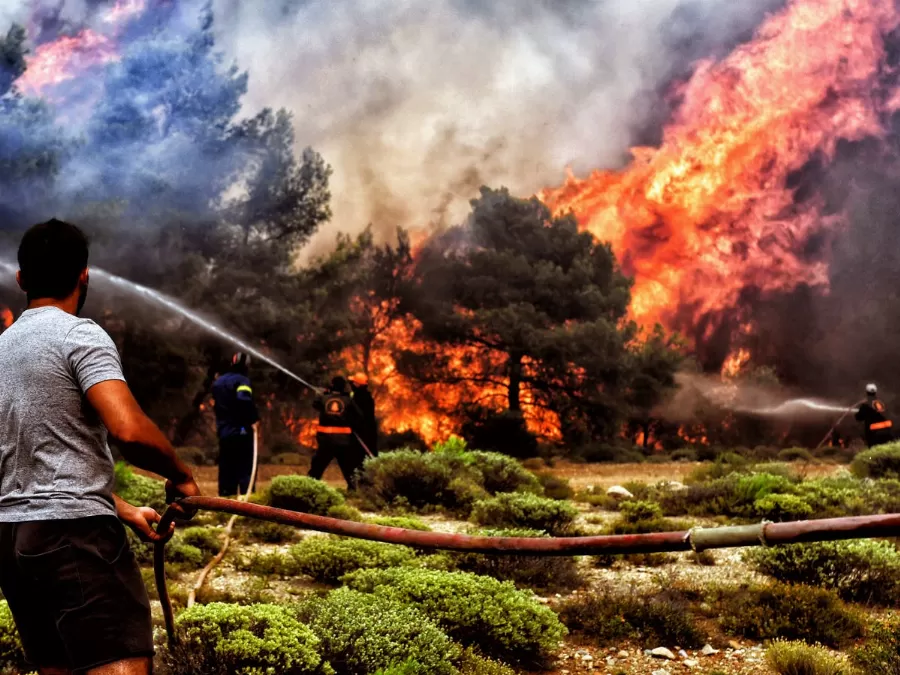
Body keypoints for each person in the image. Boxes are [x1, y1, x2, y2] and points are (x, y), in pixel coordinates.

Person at [0, 219, 201, 675]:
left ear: (22, 279)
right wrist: (182, 477)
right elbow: (129, 431)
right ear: (84, 275)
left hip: (13, 541)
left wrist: (122, 507)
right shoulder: (79, 335)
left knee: (59, 667)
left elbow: (32, 459)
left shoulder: (2, 348)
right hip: (74, 538)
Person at [211, 352, 260, 497]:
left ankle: (226, 499)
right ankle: (247, 499)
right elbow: (243, 400)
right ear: (246, 366)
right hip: (241, 430)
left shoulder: (218, 382)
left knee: (226, 466)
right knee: (245, 466)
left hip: (224, 431)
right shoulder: (243, 381)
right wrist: (253, 419)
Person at [308, 376, 363, 489]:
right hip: (343, 442)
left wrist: (321, 394)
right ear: (344, 387)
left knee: (317, 467)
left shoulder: (323, 398)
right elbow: (359, 416)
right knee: (348, 467)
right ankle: (353, 489)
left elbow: (315, 405)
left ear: (331, 385)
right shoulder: (348, 400)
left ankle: (309, 487)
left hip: (326, 441)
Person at [349, 372, 378, 459]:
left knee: (360, 456)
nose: (351, 385)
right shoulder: (368, 396)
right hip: (369, 431)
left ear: (357, 385)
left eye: (352, 383)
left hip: (360, 432)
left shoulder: (359, 398)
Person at [855, 383, 893, 448]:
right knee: (885, 448)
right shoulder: (881, 402)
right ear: (875, 392)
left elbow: (859, 417)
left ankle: (871, 458)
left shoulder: (865, 404)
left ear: (867, 392)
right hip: (886, 431)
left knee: (873, 449)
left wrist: (857, 414)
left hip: (873, 432)